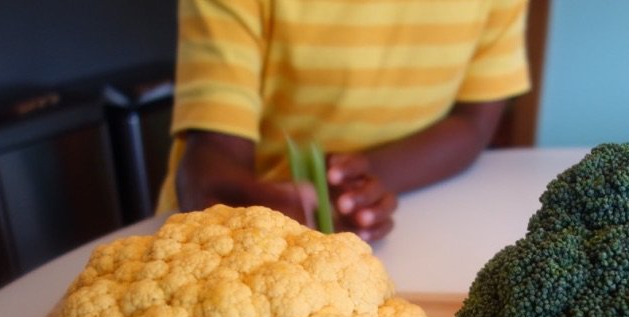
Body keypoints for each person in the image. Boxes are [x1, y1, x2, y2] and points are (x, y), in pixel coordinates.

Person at [157, 0, 531, 241]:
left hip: (404, 229)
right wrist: (245, 206)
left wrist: (363, 185)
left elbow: (474, 124)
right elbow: (211, 161)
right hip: (224, 228)